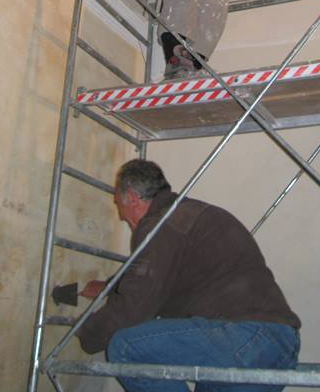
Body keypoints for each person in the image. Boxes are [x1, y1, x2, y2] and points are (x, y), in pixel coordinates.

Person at [78, 159, 301, 392]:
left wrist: (86, 333)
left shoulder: (160, 224)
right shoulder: (187, 216)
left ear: (132, 198)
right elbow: (160, 278)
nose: (121, 216)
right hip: (273, 344)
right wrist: (112, 287)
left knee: (124, 347)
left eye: (118, 205)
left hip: (244, 336)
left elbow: (136, 306)